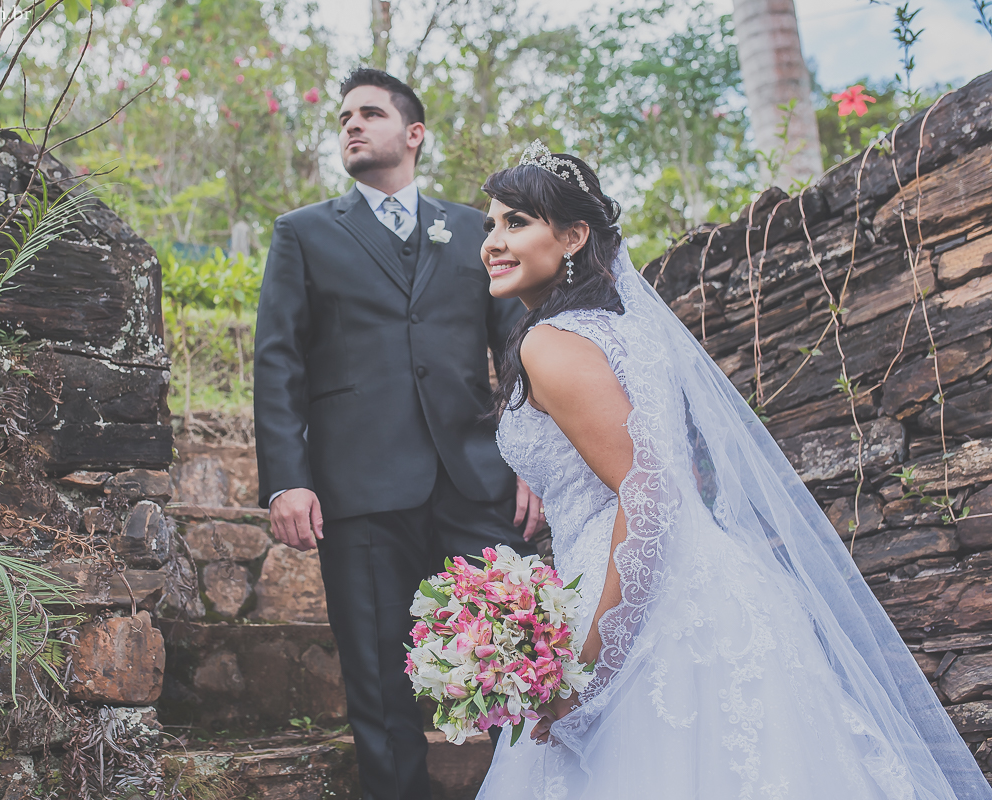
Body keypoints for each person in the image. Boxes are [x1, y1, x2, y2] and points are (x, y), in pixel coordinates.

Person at [473, 141, 992, 799]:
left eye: (516, 222)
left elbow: (650, 490)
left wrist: (588, 669)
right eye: (490, 224)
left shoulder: (550, 343)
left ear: (574, 235)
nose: (493, 240)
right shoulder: (617, 331)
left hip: (641, 605)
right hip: (699, 585)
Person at [252, 68, 542, 800]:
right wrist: (289, 477)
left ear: (413, 134)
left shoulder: (479, 231)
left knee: (518, 658)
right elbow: (278, 360)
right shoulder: (304, 234)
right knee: (380, 685)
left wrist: (538, 462)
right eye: (345, 116)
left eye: (370, 113)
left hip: (477, 482)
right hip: (360, 489)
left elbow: (521, 353)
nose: (351, 124)